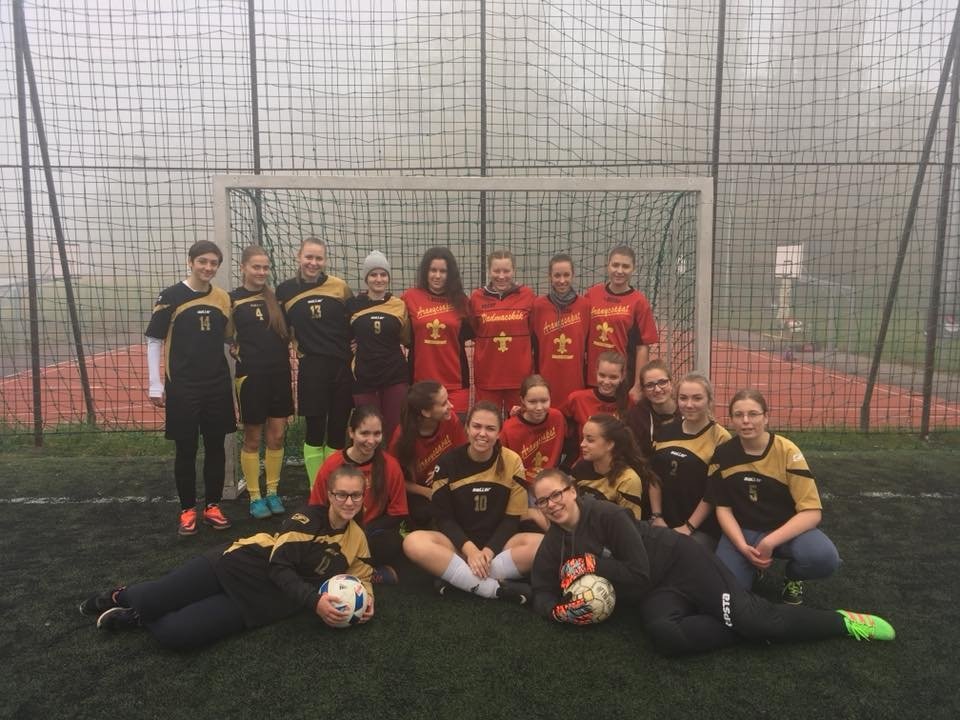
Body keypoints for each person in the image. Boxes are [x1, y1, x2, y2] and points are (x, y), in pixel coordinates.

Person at [529, 468, 895, 656]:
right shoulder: (554, 542)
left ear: (572, 491)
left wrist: (593, 564)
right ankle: (745, 626)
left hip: (681, 561)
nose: (552, 504)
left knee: (755, 619)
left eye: (557, 494)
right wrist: (556, 612)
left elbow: (637, 574)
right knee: (666, 638)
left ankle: (843, 622)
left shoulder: (608, 516)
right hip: (658, 590)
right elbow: (541, 587)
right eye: (543, 501)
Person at [79, 465, 375, 650]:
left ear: (364, 496)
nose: (349, 502)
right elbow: (279, 567)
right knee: (151, 598)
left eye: (356, 495)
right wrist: (314, 602)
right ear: (329, 494)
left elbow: (362, 575)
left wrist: (367, 602)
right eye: (341, 494)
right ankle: (121, 596)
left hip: (262, 601)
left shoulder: (357, 538)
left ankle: (138, 618)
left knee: (177, 635)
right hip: (238, 564)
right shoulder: (307, 520)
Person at [402, 401, 544, 602]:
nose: (482, 434)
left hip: (499, 547)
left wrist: (487, 551)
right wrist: (470, 551)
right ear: (467, 428)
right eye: (477, 426)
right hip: (457, 547)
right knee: (413, 542)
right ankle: (495, 589)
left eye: (490, 428)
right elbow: (444, 519)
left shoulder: (512, 461)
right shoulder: (447, 463)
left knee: (545, 544)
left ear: (499, 433)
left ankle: (458, 579)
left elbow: (511, 520)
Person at [712, 389, 841, 605]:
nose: (746, 421)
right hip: (743, 531)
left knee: (824, 559)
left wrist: (770, 541)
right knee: (728, 596)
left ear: (766, 417)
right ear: (731, 419)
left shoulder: (787, 451)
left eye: (753, 414)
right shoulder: (723, 454)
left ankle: (793, 576)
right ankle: (751, 566)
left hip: (783, 530)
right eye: (738, 415)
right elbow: (723, 509)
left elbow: (811, 512)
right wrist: (742, 546)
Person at [145, 240, 235, 536]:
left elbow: (229, 337)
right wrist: (155, 384)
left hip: (217, 384)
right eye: (202, 262)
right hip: (183, 385)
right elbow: (154, 340)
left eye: (213, 263)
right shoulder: (170, 296)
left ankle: (212, 506)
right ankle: (187, 510)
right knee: (186, 448)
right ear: (190, 262)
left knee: (216, 446)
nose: (208, 267)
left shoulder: (222, 298)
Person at [275, 237, 353, 486]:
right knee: (315, 429)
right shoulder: (284, 291)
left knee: (338, 429)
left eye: (319, 258)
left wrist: (358, 343)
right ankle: (316, 488)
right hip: (311, 367)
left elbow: (354, 321)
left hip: (341, 366)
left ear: (325, 260)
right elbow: (279, 328)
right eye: (309, 257)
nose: (313, 262)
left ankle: (335, 486)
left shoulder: (340, 287)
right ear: (299, 257)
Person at [308, 406, 408, 584]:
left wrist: (361, 533)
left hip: (370, 533)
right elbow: (316, 507)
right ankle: (367, 573)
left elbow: (398, 513)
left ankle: (343, 571)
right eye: (364, 433)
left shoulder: (390, 466)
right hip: (336, 532)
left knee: (391, 543)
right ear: (351, 432)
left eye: (377, 434)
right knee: (311, 546)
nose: (371, 440)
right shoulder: (332, 465)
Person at [230, 245, 292, 520]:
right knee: (253, 437)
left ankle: (272, 492)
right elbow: (225, 334)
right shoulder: (231, 300)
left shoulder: (276, 299)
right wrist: (233, 346)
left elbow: (291, 331)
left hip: (279, 374)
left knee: (277, 435)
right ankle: (255, 496)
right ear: (243, 267)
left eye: (265, 267)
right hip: (250, 376)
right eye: (256, 267)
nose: (261, 272)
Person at [647, 372, 730, 549]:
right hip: (663, 520)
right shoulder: (666, 430)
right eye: (683, 398)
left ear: (709, 400)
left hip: (701, 528)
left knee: (679, 554)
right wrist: (657, 516)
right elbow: (654, 477)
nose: (689, 404)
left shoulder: (720, 438)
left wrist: (688, 527)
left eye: (697, 398)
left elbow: (712, 492)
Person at [346, 251, 410, 443]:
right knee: (367, 430)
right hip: (364, 376)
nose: (379, 279)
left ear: (388, 277)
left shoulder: (399, 305)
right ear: (366, 278)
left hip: (394, 375)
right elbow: (345, 336)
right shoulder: (352, 305)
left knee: (395, 430)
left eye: (383, 274)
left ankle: (393, 463)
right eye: (373, 274)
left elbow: (406, 338)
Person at [584, 245, 659, 404]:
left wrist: (638, 385)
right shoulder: (592, 294)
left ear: (633, 269)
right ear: (607, 265)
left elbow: (642, 347)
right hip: (593, 376)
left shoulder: (639, 302)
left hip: (622, 379)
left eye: (625, 266)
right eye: (615, 265)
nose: (619, 271)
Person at [388, 381, 467, 529]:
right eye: (443, 404)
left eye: (448, 400)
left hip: (448, 481)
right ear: (425, 412)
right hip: (418, 493)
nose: (451, 406)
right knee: (426, 513)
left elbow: (463, 456)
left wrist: (444, 471)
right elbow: (394, 481)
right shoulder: (401, 438)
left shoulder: (451, 420)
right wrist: (427, 492)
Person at [403, 247, 473, 413]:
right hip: (420, 383)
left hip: (455, 383)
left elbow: (476, 333)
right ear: (425, 272)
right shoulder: (410, 297)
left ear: (450, 274)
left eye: (443, 271)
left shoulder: (461, 301)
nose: (437, 276)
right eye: (433, 270)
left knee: (455, 428)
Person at [469, 250, 536, 415]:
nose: (501, 276)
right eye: (496, 271)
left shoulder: (527, 295)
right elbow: (474, 330)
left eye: (506, 271)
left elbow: (533, 329)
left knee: (520, 424)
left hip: (520, 378)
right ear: (489, 271)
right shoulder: (476, 297)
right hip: (488, 377)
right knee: (487, 422)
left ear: (514, 270)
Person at [499, 374, 566, 531]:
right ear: (522, 400)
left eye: (544, 401)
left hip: (552, 477)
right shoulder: (509, 428)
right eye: (532, 402)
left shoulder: (557, 417)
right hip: (524, 486)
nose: (539, 407)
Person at [530, 253, 590, 404]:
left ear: (573, 275)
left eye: (566, 275)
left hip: (575, 381)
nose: (562, 280)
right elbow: (531, 346)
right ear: (549, 276)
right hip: (545, 382)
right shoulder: (538, 306)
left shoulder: (584, 305)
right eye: (557, 275)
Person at [570, 413, 653, 521]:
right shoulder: (580, 468)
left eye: (590, 440)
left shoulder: (627, 479)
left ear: (610, 444)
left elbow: (630, 526)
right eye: (583, 438)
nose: (582, 444)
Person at [560, 350, 630, 464]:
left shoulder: (630, 403)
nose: (606, 381)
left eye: (613, 377)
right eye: (602, 375)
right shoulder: (577, 399)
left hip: (617, 465)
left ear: (622, 377)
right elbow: (557, 424)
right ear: (596, 372)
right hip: (584, 464)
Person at [624, 359, 681, 459]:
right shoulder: (637, 417)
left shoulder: (685, 410)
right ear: (643, 390)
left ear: (671, 383)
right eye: (650, 385)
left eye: (662, 382)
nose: (657, 389)